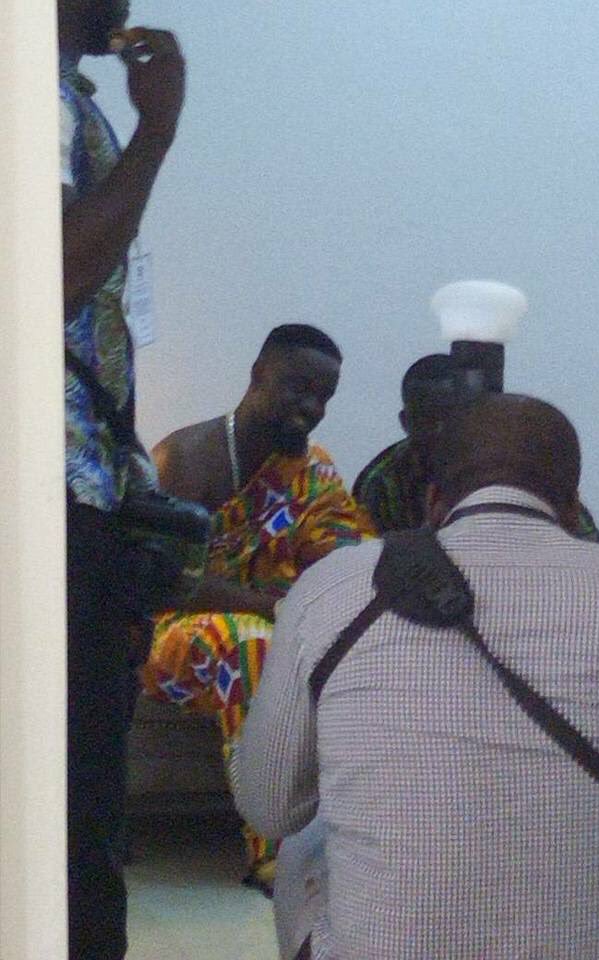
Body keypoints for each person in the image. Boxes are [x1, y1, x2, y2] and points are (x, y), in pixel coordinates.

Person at [231, 393, 599, 960]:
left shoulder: (335, 588)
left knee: (306, 837)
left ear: (433, 501)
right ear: (573, 509)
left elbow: (269, 807)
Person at [141, 323, 375, 892]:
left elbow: (345, 553)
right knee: (251, 642)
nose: (310, 408)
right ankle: (271, 851)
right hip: (172, 638)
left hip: (280, 622)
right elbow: (165, 579)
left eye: (323, 397)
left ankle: (368, 831)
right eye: (298, 388)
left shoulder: (311, 471)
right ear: (257, 376)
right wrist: (270, 608)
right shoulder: (183, 459)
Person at [60, 0, 185, 956]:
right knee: (71, 802)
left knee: (91, 797)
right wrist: (158, 130)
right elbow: (53, 274)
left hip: (86, 491)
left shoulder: (71, 99)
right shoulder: (28, 104)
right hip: (47, 501)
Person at [354, 352, 599, 541]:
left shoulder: (517, 463)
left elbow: (587, 546)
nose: (441, 431)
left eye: (452, 417)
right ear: (406, 422)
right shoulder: (381, 481)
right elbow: (363, 562)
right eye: (427, 419)